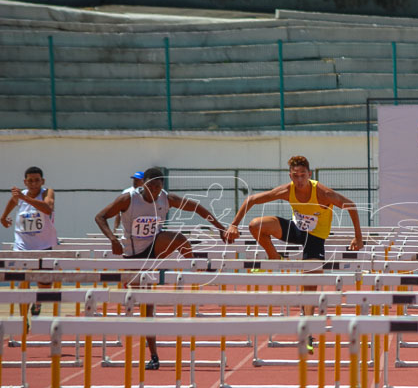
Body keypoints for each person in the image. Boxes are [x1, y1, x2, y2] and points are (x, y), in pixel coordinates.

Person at [225, 156, 364, 352]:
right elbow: (251, 199)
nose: (299, 180)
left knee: (309, 288)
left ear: (310, 174)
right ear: (290, 176)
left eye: (303, 176)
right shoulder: (287, 190)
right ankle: (274, 257)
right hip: (296, 231)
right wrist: (233, 224)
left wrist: (358, 238)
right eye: (295, 176)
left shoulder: (323, 193)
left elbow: (351, 206)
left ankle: (307, 333)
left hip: (315, 239)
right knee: (256, 225)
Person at [95, 167, 228, 370]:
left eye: (158, 186)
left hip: (154, 249)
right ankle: (154, 355)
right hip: (132, 256)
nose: (155, 190)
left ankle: (196, 272)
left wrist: (220, 228)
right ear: (143, 184)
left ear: (162, 186)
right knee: (145, 308)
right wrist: (112, 239)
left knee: (178, 238)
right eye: (151, 186)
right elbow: (100, 216)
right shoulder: (128, 199)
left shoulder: (166, 198)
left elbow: (197, 208)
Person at [2, 166, 58, 316]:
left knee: (45, 283)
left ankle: (37, 303)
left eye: (37, 180)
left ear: (42, 181)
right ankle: (23, 318)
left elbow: (48, 208)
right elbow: (13, 202)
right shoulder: (20, 195)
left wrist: (25, 198)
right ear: (25, 182)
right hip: (22, 246)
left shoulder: (47, 192)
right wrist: (3, 216)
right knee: (23, 282)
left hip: (43, 245)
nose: (34, 183)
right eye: (30, 181)